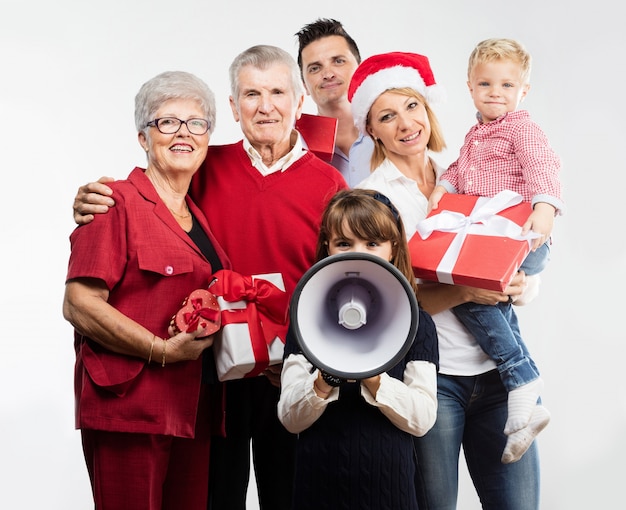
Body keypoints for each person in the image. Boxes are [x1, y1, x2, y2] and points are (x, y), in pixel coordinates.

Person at [71, 45, 348, 510]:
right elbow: (151, 201)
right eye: (251, 94)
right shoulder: (203, 164)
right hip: (212, 375)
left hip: (293, 371)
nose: (266, 106)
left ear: (299, 102)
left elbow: (339, 280)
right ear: (234, 109)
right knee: (214, 496)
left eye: (278, 92)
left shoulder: (329, 184)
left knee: (295, 495)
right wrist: (90, 200)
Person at [348, 52, 547, 508]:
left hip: (503, 376)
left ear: (428, 108)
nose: (405, 123)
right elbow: (386, 304)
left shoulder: (466, 177)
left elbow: (512, 248)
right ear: (372, 130)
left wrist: (520, 284)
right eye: (387, 116)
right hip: (433, 381)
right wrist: (463, 289)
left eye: (412, 106)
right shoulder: (370, 201)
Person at [63, 71, 231, 510]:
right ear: (143, 137)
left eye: (196, 123)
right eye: (167, 122)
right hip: (129, 408)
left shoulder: (199, 215)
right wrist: (160, 349)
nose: (183, 134)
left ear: (208, 136)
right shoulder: (113, 203)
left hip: (193, 408)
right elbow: (79, 303)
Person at [427, 38, 562, 458]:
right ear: (470, 87)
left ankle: (522, 378)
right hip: (490, 239)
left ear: (523, 92)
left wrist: (544, 207)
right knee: (474, 297)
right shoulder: (476, 134)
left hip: (522, 236)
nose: (495, 94)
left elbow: (543, 165)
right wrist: (443, 188)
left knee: (466, 292)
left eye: (507, 86)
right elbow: (459, 168)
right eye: (486, 84)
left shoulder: (522, 128)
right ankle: (524, 406)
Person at [277, 188, 439, 510]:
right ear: (328, 248)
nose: (358, 253)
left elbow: (422, 418)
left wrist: (373, 377)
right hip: (317, 487)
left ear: (393, 249)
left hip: (389, 491)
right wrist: (325, 381)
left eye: (372, 243)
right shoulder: (304, 320)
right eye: (344, 243)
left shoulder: (418, 324)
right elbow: (290, 419)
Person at [295, 18, 374, 187]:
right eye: (315, 68)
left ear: (360, 69)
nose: (328, 74)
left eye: (338, 61)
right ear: (304, 86)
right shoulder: (293, 146)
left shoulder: (392, 130)